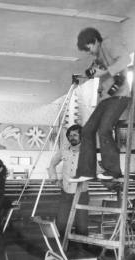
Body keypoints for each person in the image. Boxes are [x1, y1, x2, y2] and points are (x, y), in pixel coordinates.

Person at [69, 27, 131, 182]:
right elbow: (101, 74)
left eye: (88, 48)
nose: (88, 52)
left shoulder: (108, 43)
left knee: (104, 130)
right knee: (87, 130)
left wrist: (104, 72)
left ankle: (113, 171)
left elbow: (126, 59)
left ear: (95, 41)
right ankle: (86, 171)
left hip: (119, 96)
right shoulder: (99, 55)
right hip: (106, 98)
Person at [48, 124, 89, 249]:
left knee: (81, 224)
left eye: (75, 134)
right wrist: (54, 179)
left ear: (81, 136)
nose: (72, 137)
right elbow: (52, 164)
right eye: (70, 135)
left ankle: (82, 251)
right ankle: (62, 248)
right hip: (66, 193)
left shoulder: (87, 150)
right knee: (61, 222)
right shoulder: (63, 150)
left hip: (82, 193)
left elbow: (96, 169)